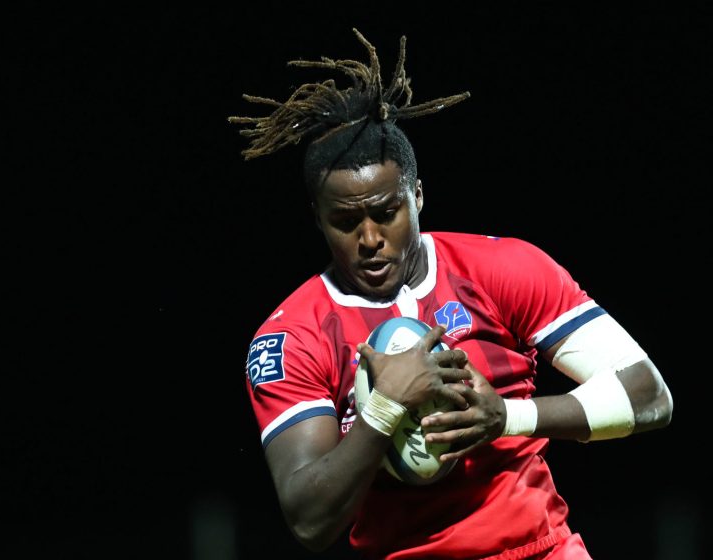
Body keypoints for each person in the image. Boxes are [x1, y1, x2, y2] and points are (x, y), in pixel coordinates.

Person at [229, 29, 673, 560]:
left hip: (539, 549)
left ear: (417, 194)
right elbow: (308, 520)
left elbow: (649, 396)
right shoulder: (292, 336)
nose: (370, 239)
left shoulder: (502, 269)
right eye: (345, 222)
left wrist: (506, 418)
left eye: (386, 212)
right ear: (317, 220)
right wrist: (385, 408)